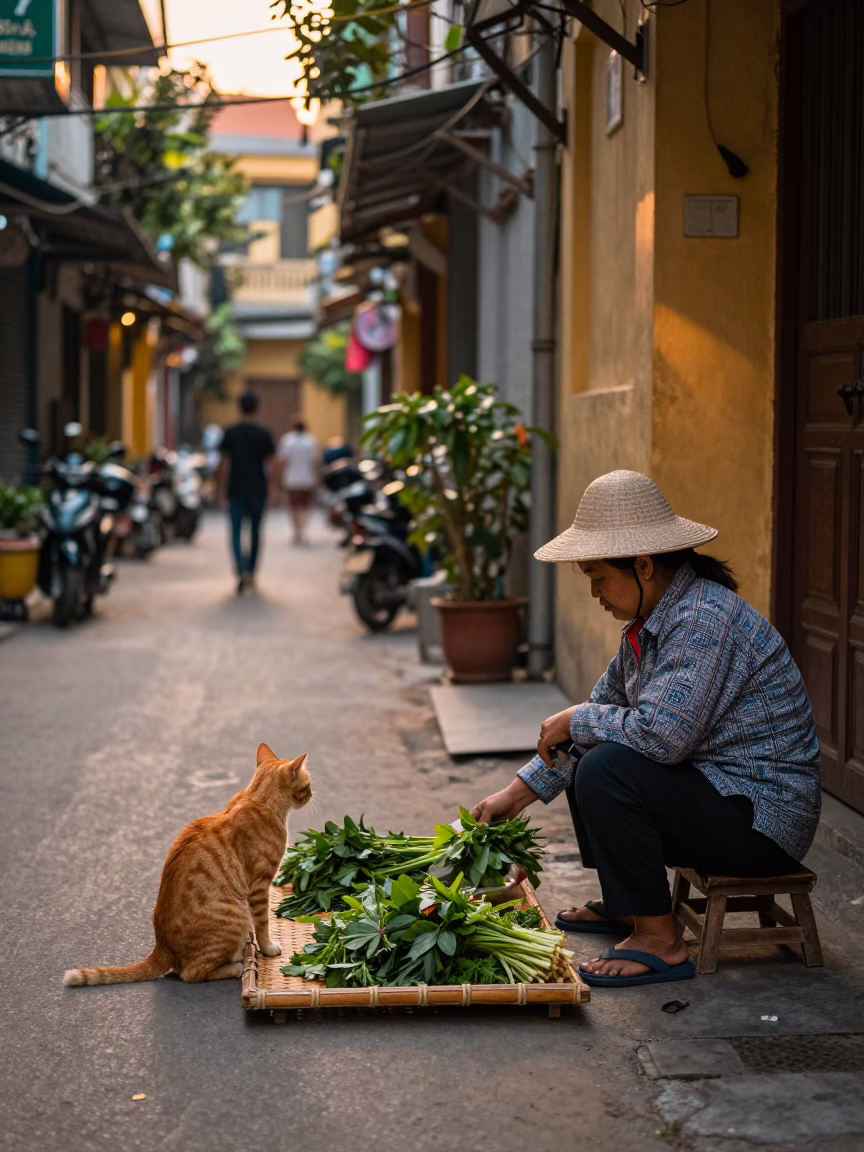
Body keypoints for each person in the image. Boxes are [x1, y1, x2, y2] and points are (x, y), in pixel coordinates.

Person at [470, 470, 820, 988]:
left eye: (598, 577)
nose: (595, 592)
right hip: (718, 798)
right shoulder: (649, 626)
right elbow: (598, 719)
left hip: (762, 821)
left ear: (643, 565)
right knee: (595, 753)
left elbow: (662, 737)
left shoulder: (702, 619)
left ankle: (660, 939)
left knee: (607, 768)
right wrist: (514, 796)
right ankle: (630, 905)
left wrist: (576, 717)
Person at [217, 392, 276, 594]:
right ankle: (251, 572)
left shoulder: (230, 432)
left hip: (235, 488)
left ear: (239, 408)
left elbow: (223, 463)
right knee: (255, 532)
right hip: (258, 489)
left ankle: (240, 569)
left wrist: (218, 489)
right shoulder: (264, 433)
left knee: (235, 532)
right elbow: (273, 464)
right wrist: (275, 490)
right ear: (257, 408)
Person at [276, 419, 319, 545]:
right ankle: (303, 530)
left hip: (291, 478)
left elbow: (282, 460)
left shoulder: (287, 440)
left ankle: (296, 531)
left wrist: (279, 477)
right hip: (306, 478)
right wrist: (315, 478)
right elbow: (314, 462)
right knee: (305, 506)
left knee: (293, 506)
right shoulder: (310, 441)